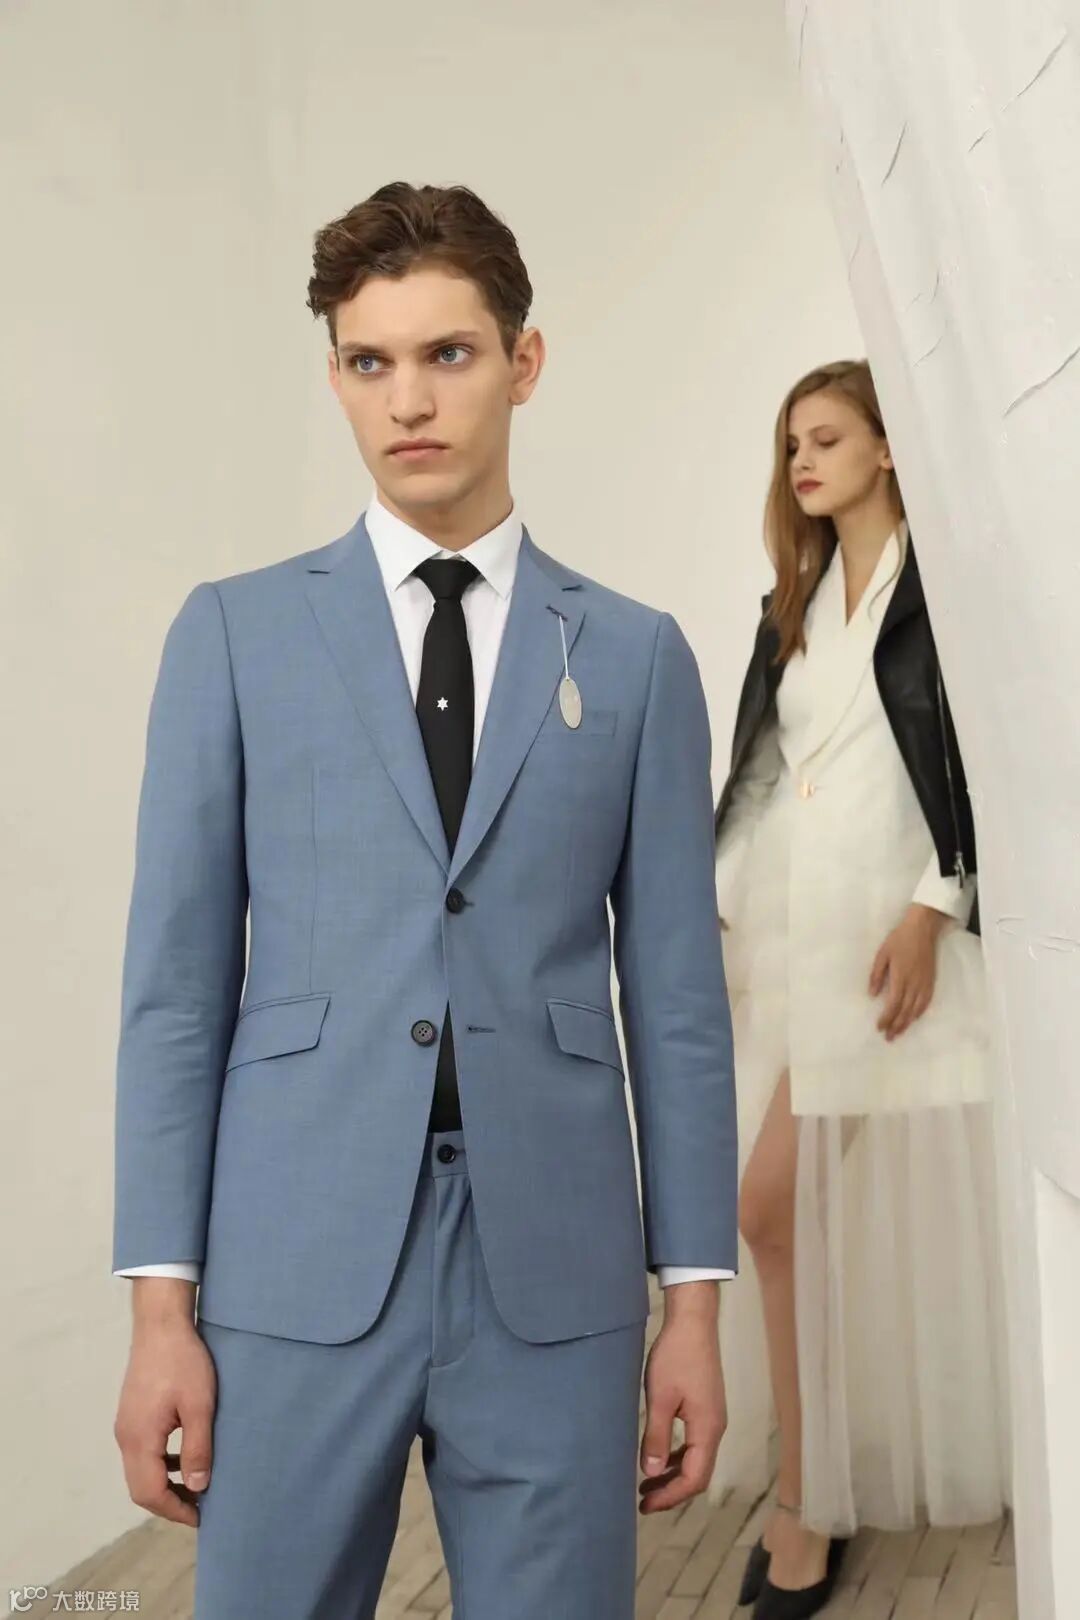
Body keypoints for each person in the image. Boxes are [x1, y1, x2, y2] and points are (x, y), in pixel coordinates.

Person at [110, 181, 738, 1620]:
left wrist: (693, 1309)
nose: (409, 400)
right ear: (335, 375)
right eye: (370, 361)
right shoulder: (234, 636)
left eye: (448, 354)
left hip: (552, 1272)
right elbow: (175, 993)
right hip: (293, 1261)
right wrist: (160, 1311)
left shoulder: (635, 657)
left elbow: (678, 1010)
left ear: (524, 362)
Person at [707, 360, 1011, 1619]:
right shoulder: (792, 604)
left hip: (889, 950)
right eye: (792, 446)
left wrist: (938, 907)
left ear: (888, 449)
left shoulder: (947, 592)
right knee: (789, 1221)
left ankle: (807, 1499)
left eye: (826, 439)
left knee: (771, 1208)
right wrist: (712, 898)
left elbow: (994, 758)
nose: (802, 463)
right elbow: (759, 775)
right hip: (792, 943)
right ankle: (816, 1479)